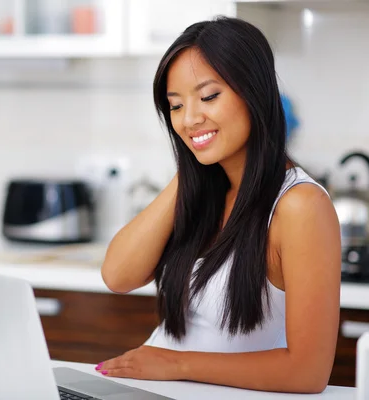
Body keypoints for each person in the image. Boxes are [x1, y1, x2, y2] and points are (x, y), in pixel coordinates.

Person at [96, 16, 341, 394]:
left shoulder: (299, 206)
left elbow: (308, 372)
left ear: (254, 93)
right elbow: (118, 276)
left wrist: (174, 363)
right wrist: (190, 168)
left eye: (209, 97)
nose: (190, 119)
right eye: (175, 106)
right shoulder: (206, 189)